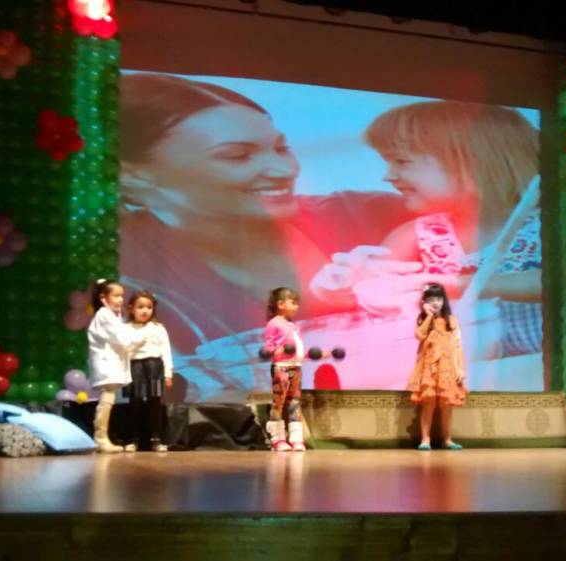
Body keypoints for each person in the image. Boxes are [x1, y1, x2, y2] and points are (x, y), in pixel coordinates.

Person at [119, 72, 415, 400]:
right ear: (134, 175)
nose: (284, 170)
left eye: (281, 148)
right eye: (237, 156)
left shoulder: (376, 216)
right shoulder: (119, 257)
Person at [311, 100, 542, 360]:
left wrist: (456, 284)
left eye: (401, 161)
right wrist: (341, 287)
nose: (388, 176)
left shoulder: (548, 224)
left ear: (473, 163)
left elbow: (560, 282)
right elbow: (369, 294)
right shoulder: (413, 236)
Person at [406, 283, 467, 450]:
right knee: (429, 404)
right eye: (431, 299)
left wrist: (460, 368)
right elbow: (419, 335)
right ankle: (425, 440)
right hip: (429, 367)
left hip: (447, 367)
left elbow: (457, 345)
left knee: (446, 404)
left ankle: (447, 440)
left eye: (438, 298)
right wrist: (428, 316)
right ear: (425, 302)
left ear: (444, 300)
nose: (435, 302)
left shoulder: (451, 320)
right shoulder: (423, 319)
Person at [88, 279, 144, 453]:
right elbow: (121, 339)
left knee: (109, 398)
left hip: (110, 361)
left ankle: (102, 437)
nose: (121, 300)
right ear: (103, 297)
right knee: (107, 398)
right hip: (106, 362)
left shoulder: (111, 315)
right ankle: (101, 438)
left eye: (122, 296)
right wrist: (138, 340)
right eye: (116, 296)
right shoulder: (104, 315)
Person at [126, 291, 173, 452]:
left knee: (154, 403)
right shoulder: (125, 328)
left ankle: (156, 439)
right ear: (131, 308)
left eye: (149, 307)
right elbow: (123, 350)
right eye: (140, 307)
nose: (145, 311)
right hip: (135, 366)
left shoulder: (158, 328)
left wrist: (168, 373)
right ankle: (133, 439)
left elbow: (166, 350)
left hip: (155, 366)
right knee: (135, 402)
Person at [261, 287, 306, 452]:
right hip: (281, 368)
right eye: (293, 303)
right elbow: (268, 347)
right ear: (280, 304)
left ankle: (296, 438)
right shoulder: (274, 324)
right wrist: (276, 350)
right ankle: (277, 439)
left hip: (296, 367)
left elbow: (297, 348)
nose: (296, 306)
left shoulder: (293, 325)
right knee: (279, 402)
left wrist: (316, 354)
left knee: (294, 402)